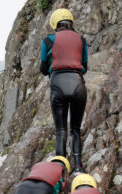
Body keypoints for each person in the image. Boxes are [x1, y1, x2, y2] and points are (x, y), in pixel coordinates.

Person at [40, 9, 88, 174]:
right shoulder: (81, 40)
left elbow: (43, 68)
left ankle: (60, 166)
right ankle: (78, 167)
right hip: (77, 84)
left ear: (54, 23)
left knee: (61, 129)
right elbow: (85, 66)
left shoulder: (48, 41)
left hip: (58, 84)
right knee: (75, 129)